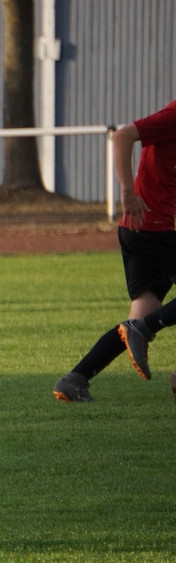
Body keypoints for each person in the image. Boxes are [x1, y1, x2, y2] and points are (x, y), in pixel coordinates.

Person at [53, 100, 176, 402]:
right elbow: (122, 135)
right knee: (141, 325)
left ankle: (75, 379)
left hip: (143, 229)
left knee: (139, 316)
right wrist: (127, 191)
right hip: (150, 228)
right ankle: (144, 329)